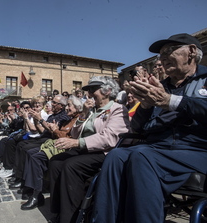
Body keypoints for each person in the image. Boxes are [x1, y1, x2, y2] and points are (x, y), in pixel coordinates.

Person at [91, 33, 207, 223]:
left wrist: (171, 101)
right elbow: (137, 127)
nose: (162, 58)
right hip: (160, 149)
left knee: (142, 155)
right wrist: (144, 105)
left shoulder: (204, 79)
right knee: (116, 156)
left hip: (196, 150)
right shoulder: (158, 87)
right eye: (160, 55)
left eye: (169, 51)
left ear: (192, 52)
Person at [48, 76, 130, 223]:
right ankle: (58, 209)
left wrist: (77, 143)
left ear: (108, 91)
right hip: (85, 148)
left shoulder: (117, 109)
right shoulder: (91, 111)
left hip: (104, 152)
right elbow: (73, 134)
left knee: (70, 166)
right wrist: (84, 114)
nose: (90, 93)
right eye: (89, 90)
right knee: (55, 162)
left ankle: (72, 217)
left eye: (93, 89)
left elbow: (109, 138)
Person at [20, 95, 83, 210]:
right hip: (54, 143)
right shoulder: (67, 119)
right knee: (29, 152)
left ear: (77, 108)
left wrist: (51, 127)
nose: (66, 108)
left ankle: (36, 195)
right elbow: (52, 132)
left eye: (69, 105)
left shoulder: (77, 120)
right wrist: (52, 128)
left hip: (64, 147)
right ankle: (30, 187)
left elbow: (66, 137)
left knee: (35, 156)